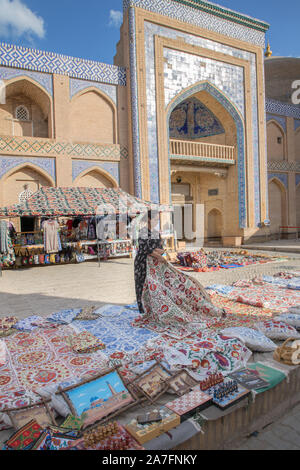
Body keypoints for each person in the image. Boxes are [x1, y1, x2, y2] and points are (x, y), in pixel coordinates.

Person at [134, 210, 164, 313]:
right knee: (142, 286)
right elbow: (144, 248)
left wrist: (158, 252)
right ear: (149, 220)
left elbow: (161, 248)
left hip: (153, 264)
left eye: (158, 220)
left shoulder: (156, 233)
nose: (157, 221)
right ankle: (143, 310)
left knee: (154, 286)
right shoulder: (143, 231)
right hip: (142, 263)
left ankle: (153, 310)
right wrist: (156, 253)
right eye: (155, 219)